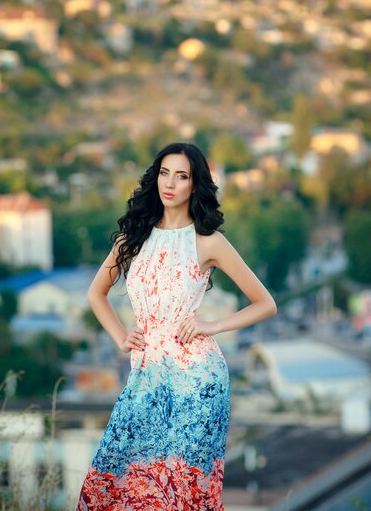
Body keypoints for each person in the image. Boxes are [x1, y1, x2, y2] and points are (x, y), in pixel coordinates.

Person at [76, 141, 277, 510]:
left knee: (180, 494)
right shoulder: (133, 238)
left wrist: (211, 325)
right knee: (109, 485)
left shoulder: (209, 242)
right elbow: (96, 294)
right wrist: (121, 336)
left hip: (198, 383)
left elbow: (266, 304)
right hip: (146, 378)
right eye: (164, 173)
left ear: (194, 185)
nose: (170, 183)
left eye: (181, 176)